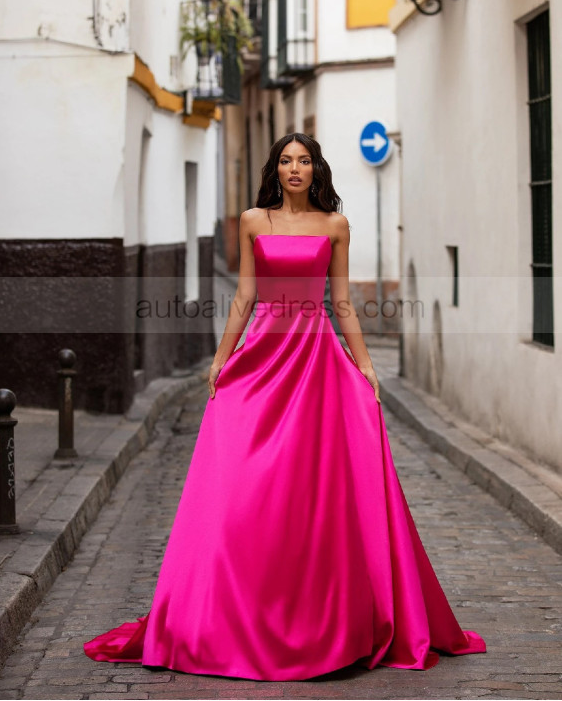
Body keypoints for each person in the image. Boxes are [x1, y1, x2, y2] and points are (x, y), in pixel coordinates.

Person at [83, 133, 486, 680]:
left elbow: (340, 300)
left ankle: (325, 613)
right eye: (286, 161)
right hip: (263, 354)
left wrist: (365, 365)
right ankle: (231, 610)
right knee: (245, 483)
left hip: (317, 358)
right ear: (275, 169)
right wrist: (222, 358)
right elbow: (246, 296)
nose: (295, 169)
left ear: (316, 170)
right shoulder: (254, 220)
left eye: (304, 161)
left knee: (313, 486)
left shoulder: (335, 225)